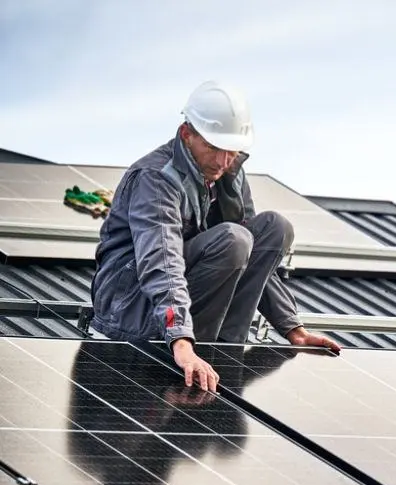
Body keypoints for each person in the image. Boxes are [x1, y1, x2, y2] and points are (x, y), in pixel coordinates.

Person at [90, 80, 340, 394]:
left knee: (275, 227)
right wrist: (180, 339)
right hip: (132, 307)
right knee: (233, 239)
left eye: (231, 150)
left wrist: (293, 328)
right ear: (187, 134)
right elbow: (161, 261)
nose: (222, 161)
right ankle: (198, 347)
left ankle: (223, 348)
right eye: (213, 147)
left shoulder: (226, 171)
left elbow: (256, 255)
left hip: (185, 303)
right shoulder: (156, 179)